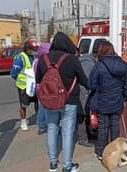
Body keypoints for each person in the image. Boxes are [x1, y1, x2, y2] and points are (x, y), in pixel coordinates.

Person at [36, 32, 89, 172]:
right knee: (67, 132)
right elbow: (84, 80)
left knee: (52, 130)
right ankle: (67, 166)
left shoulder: (43, 59)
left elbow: (38, 80)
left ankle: (53, 164)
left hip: (49, 101)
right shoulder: (72, 59)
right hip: (69, 101)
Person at [89, 41, 127, 160]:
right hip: (117, 102)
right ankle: (115, 152)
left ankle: (100, 152)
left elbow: (91, 85)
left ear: (101, 51)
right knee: (115, 128)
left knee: (103, 127)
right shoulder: (123, 65)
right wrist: (124, 98)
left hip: (102, 102)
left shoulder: (98, 66)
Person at [11, 40, 38, 131]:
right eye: (32, 49)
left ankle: (39, 119)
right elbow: (14, 73)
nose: (33, 51)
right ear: (27, 49)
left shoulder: (33, 56)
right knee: (24, 105)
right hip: (23, 85)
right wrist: (19, 80)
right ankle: (23, 122)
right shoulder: (20, 57)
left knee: (37, 102)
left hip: (33, 84)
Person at [33, 43, 50, 135]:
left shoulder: (36, 61)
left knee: (42, 107)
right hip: (46, 87)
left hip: (38, 87)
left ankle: (41, 126)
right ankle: (47, 125)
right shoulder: (46, 61)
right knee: (47, 107)